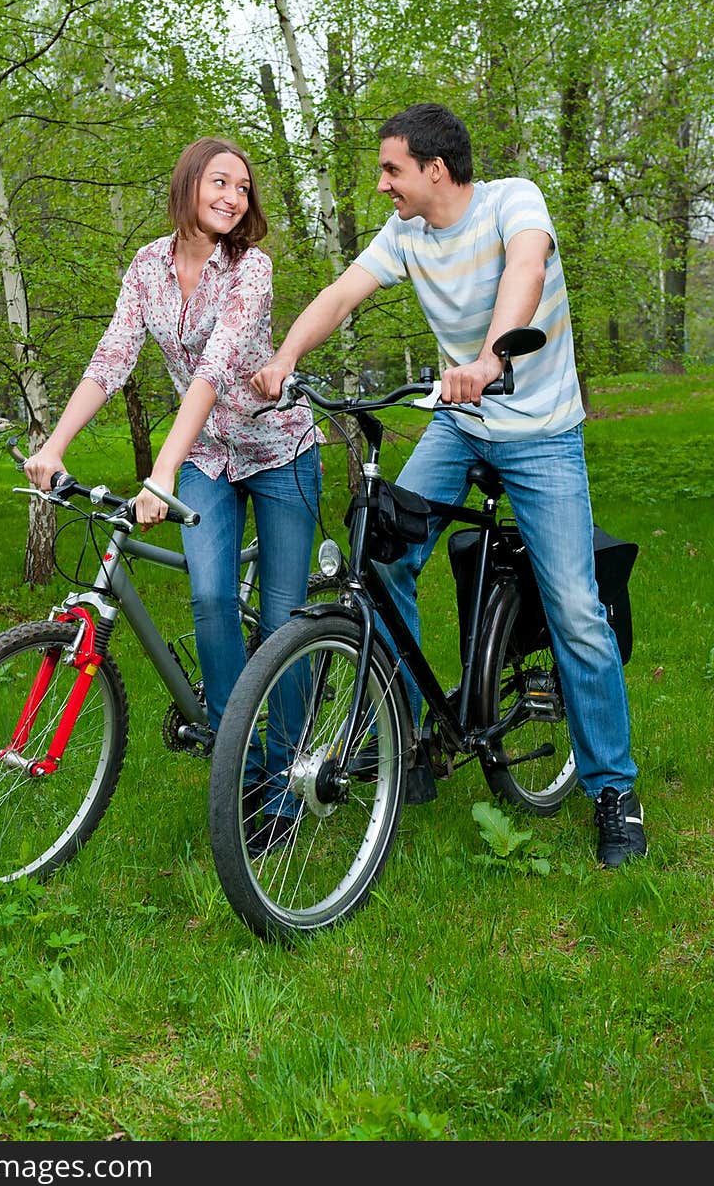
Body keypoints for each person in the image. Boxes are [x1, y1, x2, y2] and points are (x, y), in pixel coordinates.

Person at [251, 102, 646, 868]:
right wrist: (284, 356)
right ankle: (408, 737)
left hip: (540, 434)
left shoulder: (512, 201)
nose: (381, 185)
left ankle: (613, 790)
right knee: (384, 553)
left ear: (436, 168)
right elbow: (340, 295)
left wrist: (492, 360)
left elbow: (525, 272)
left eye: (391, 169)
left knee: (572, 604)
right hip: (461, 424)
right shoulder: (406, 234)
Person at [25, 136, 323, 854]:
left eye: (243, 188)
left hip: (279, 453)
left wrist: (159, 472)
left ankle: (285, 780)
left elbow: (213, 374)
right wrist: (54, 445)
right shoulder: (146, 266)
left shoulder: (253, 269)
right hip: (209, 459)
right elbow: (112, 359)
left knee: (281, 620)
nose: (232, 197)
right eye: (220, 182)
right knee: (212, 600)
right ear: (189, 183)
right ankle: (241, 763)